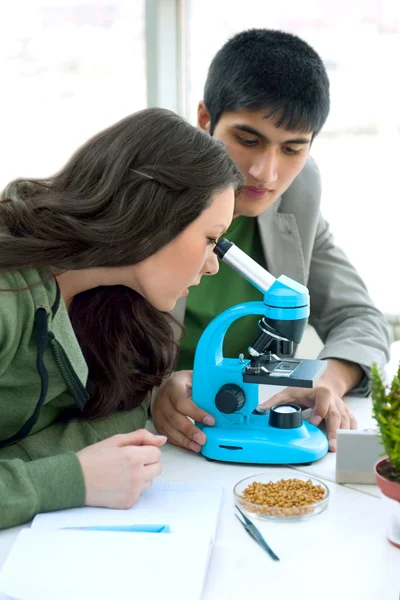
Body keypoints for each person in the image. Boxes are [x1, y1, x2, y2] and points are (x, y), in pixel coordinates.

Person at [0, 107, 243, 529]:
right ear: (155, 212)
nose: (212, 266)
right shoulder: (9, 295)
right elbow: (83, 462)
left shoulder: (115, 301)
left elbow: (121, 415)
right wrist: (70, 478)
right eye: (210, 239)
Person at [152, 29, 391, 453]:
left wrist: (327, 381)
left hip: (247, 425)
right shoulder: (147, 194)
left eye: (293, 149)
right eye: (247, 140)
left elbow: (360, 319)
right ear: (205, 120)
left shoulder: (297, 196)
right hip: (156, 435)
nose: (266, 172)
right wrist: (150, 395)